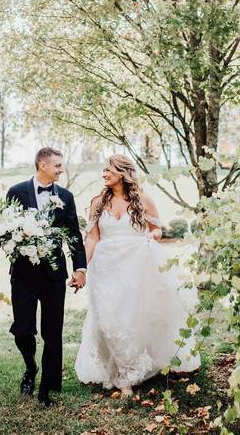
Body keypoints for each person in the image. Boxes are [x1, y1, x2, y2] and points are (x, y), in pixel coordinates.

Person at [74, 154, 200, 396]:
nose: (104, 174)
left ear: (122, 172)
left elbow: (157, 230)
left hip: (135, 266)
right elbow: (92, 237)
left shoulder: (142, 200)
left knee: (131, 318)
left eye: (108, 170)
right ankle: (119, 370)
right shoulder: (98, 202)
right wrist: (83, 269)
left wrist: (151, 237)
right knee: (106, 319)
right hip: (105, 267)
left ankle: (127, 377)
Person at [5, 147, 87, 407]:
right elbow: (6, 229)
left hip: (53, 275)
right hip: (23, 275)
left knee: (52, 332)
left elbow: (74, 234)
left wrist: (80, 269)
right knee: (23, 330)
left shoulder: (66, 196)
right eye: (58, 166)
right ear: (42, 165)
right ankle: (30, 368)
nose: (61, 170)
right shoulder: (16, 192)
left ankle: (46, 390)